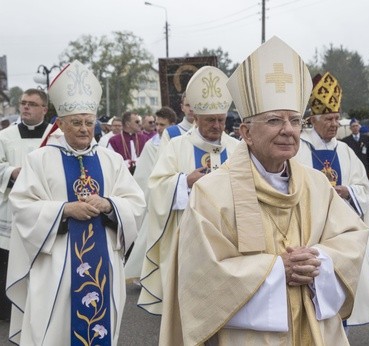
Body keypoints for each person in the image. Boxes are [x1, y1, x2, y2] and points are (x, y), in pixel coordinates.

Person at [158, 36, 369, 345]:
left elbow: (351, 238)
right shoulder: (211, 193)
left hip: (314, 328)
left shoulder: (316, 184)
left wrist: (320, 260)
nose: (288, 130)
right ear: (245, 132)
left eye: (295, 121)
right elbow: (201, 277)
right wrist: (275, 269)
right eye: (274, 120)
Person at [5, 60, 145, 345]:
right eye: (76, 123)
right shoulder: (40, 160)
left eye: (89, 123)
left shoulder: (110, 160)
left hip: (104, 261)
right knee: (56, 329)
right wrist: (64, 210)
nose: (84, 129)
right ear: (61, 124)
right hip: (56, 265)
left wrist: (108, 205)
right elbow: (22, 205)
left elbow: (136, 202)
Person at [138, 66, 240, 314]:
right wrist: (185, 181)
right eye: (210, 120)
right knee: (189, 309)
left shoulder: (238, 148)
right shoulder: (176, 146)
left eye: (221, 120)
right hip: (187, 236)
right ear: (196, 118)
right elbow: (157, 185)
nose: (217, 126)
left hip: (229, 237)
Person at [295, 71, 369, 327]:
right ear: (314, 119)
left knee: (338, 289)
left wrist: (347, 192)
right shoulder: (298, 148)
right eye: (329, 119)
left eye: (337, 119)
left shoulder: (344, 150)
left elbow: (363, 189)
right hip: (309, 231)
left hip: (339, 235)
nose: (334, 124)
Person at [0, 88, 53, 321]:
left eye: (32, 104)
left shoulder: (55, 136)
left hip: (44, 209)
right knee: (7, 260)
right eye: (22, 103)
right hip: (11, 209)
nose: (25, 107)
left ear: (44, 109)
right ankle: (7, 310)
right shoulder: (5, 135)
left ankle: (42, 307)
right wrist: (12, 172)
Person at [125, 106, 177, 282]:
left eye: (163, 125)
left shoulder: (179, 142)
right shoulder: (151, 144)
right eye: (157, 124)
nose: (159, 128)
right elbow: (143, 175)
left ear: (172, 125)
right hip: (154, 197)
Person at [341, 118, 369, 183]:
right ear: (350, 128)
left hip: (365, 167)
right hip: (353, 168)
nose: (355, 128)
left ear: (359, 127)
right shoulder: (346, 141)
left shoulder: (366, 139)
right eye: (353, 126)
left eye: (356, 126)